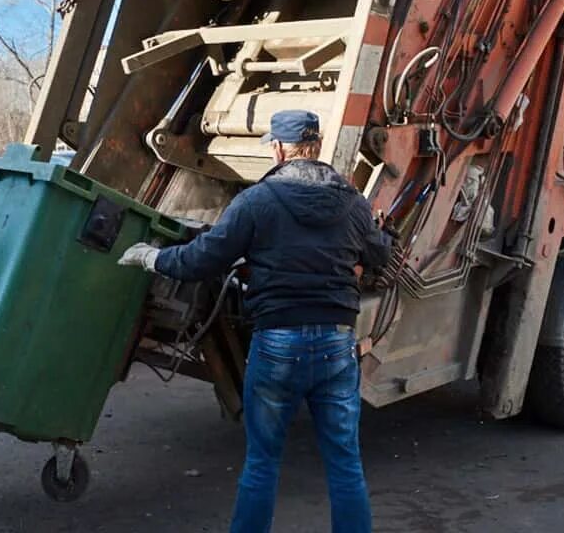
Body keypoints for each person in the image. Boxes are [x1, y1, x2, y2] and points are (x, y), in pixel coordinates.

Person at [119, 109, 392, 533]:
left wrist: (155, 258)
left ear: (280, 149)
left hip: (279, 343)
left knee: (263, 462)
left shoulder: (257, 201)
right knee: (344, 463)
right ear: (315, 146)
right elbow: (380, 256)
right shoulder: (352, 202)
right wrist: (373, 235)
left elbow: (203, 258)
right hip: (337, 344)